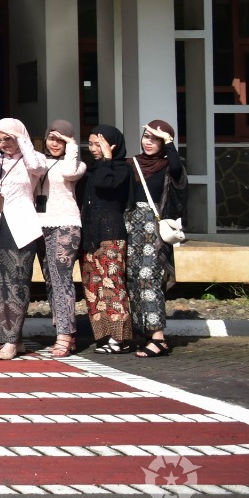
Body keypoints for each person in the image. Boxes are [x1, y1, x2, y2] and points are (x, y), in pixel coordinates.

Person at [0, 118, 49, 360]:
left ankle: (11, 339)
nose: (4, 144)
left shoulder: (33, 158)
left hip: (21, 227)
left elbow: (37, 168)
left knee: (17, 284)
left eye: (8, 138)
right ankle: (11, 339)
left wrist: (21, 140)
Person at [128, 120, 186, 359]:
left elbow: (177, 169)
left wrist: (170, 143)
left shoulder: (168, 166)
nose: (148, 142)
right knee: (134, 281)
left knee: (149, 280)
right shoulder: (133, 163)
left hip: (154, 231)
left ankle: (158, 338)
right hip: (132, 229)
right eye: (146, 137)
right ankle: (146, 333)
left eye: (155, 139)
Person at [79, 125, 134, 354]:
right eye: (91, 144)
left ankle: (121, 339)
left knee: (113, 286)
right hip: (91, 235)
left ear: (112, 145)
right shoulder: (93, 169)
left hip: (111, 235)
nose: (93, 149)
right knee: (94, 287)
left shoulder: (121, 169)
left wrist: (108, 159)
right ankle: (104, 335)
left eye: (98, 144)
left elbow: (106, 184)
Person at [38, 119, 87, 358]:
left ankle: (65, 336)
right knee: (50, 280)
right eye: (51, 138)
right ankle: (65, 331)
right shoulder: (39, 161)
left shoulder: (76, 164)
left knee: (61, 279)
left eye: (61, 140)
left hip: (66, 224)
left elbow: (69, 173)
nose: (55, 144)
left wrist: (73, 145)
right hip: (40, 224)